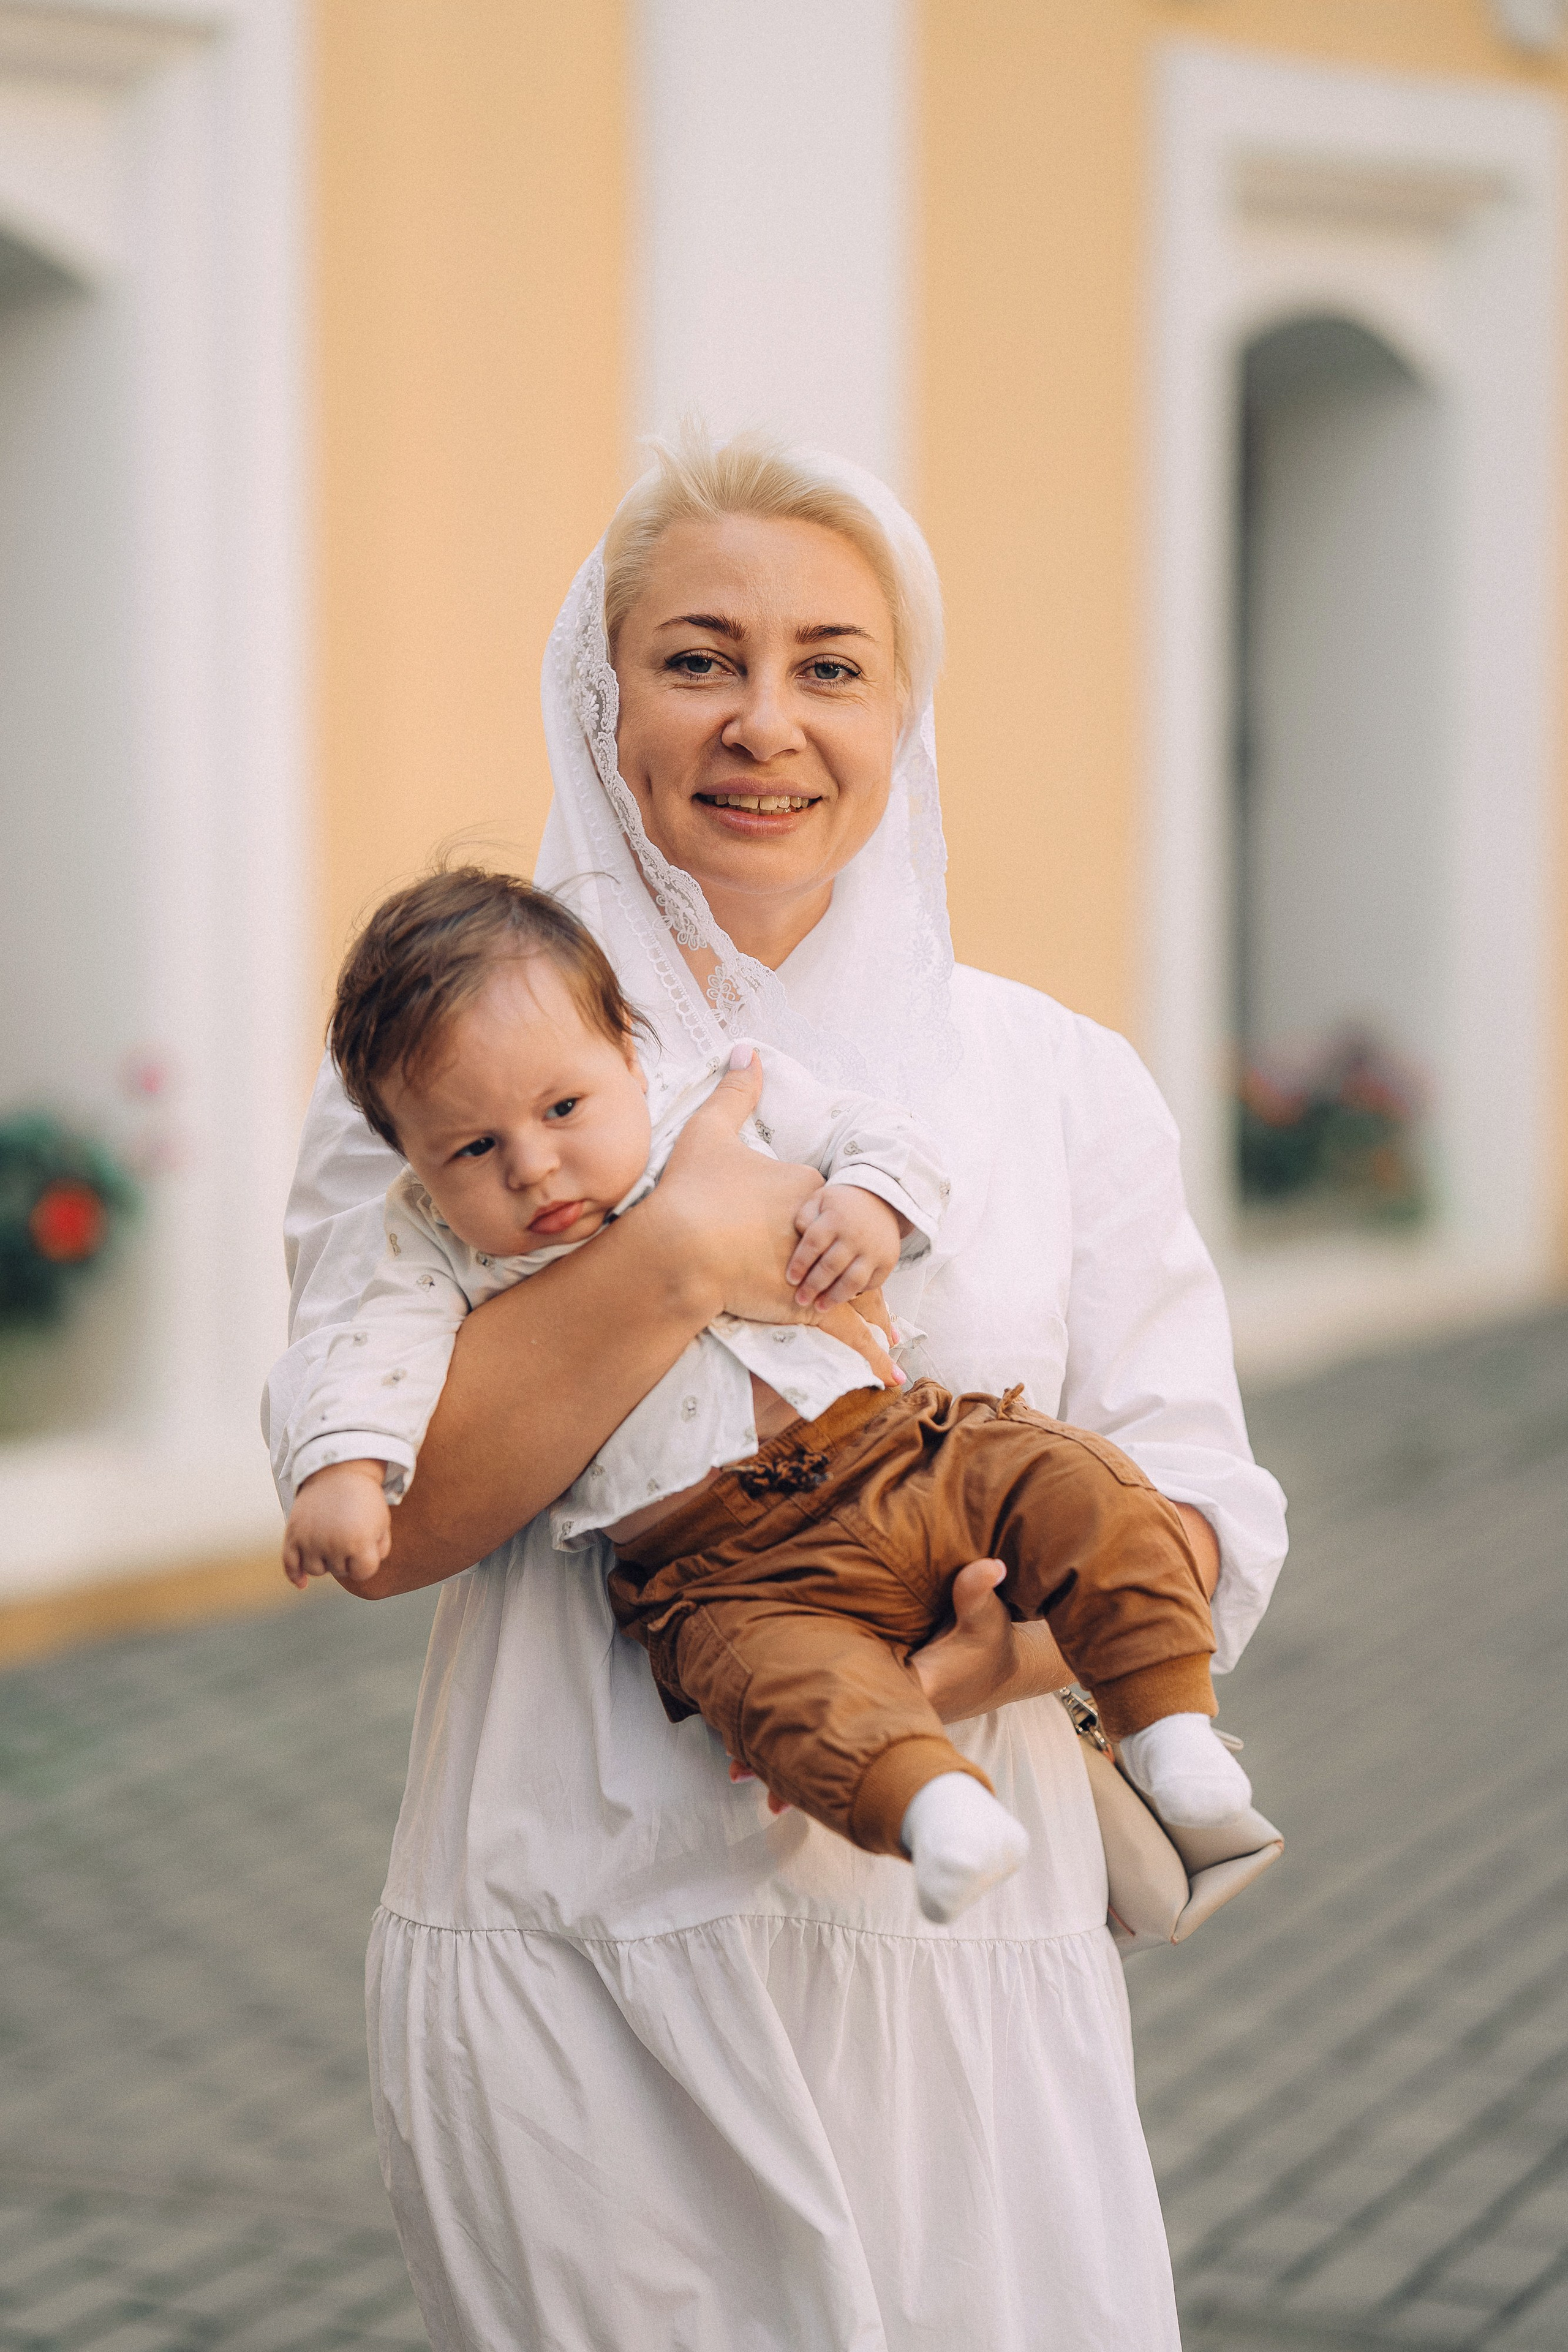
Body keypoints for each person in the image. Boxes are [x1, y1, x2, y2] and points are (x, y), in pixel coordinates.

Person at [263, 428, 1288, 2350]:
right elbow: (394, 1525)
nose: (764, 723)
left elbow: (1205, 1501)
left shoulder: (1051, 1079)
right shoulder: (434, 1077)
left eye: (831, 665)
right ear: (603, 694)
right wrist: (676, 1251)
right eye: (697, 659)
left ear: (906, 715)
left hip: (961, 1950)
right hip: (575, 1924)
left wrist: (980, 1669)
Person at [278, 868, 1253, 1923]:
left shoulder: (711, 1091)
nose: (533, 1166)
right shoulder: (423, 1239)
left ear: (624, 1051)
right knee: (780, 1688)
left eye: (565, 1107)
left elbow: (873, 1134)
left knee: (1071, 1480)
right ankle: (934, 1811)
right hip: (720, 1567)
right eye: (473, 1149)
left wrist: (873, 1206)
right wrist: (343, 1470)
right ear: (413, 1159)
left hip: (903, 1454)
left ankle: (1170, 1726)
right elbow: (364, 1352)